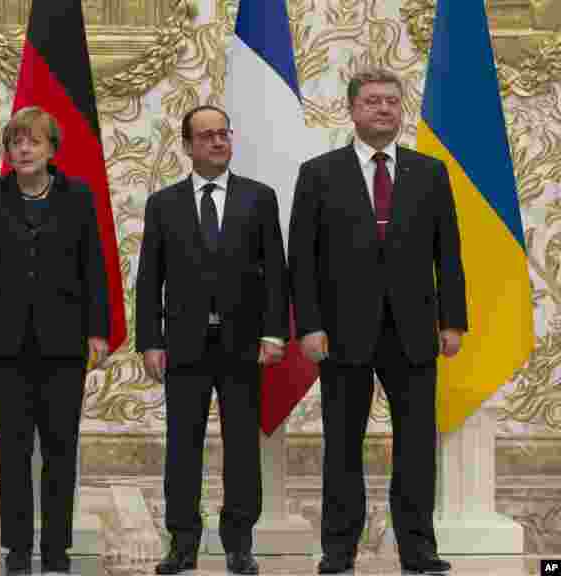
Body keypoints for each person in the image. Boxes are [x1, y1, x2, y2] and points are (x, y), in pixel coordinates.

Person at [288, 68, 466, 575]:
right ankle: (338, 549)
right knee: (343, 444)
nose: (384, 108)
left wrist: (453, 321)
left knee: (417, 445)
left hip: (414, 329)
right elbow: (302, 258)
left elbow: (448, 253)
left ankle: (418, 549)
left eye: (391, 100)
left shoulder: (430, 172)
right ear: (352, 110)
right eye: (372, 101)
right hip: (341, 330)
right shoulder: (319, 173)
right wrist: (309, 325)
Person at [0, 106, 110, 575]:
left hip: (63, 345)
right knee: (14, 451)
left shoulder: (78, 195)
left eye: (33, 141)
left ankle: (57, 548)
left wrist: (98, 331)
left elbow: (93, 267)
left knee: (61, 450)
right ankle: (18, 549)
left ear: (51, 149)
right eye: (16, 141)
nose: (23, 149)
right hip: (3, 345)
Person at [136, 105, 288, 576]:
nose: (218, 142)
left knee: (242, 448)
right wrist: (150, 341)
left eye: (223, 133)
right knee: (183, 446)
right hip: (184, 345)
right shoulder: (163, 204)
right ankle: (182, 543)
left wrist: (274, 332)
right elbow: (150, 279)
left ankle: (239, 544)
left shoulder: (258, 198)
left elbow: (276, 273)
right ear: (187, 146)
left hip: (243, 345)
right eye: (206, 136)